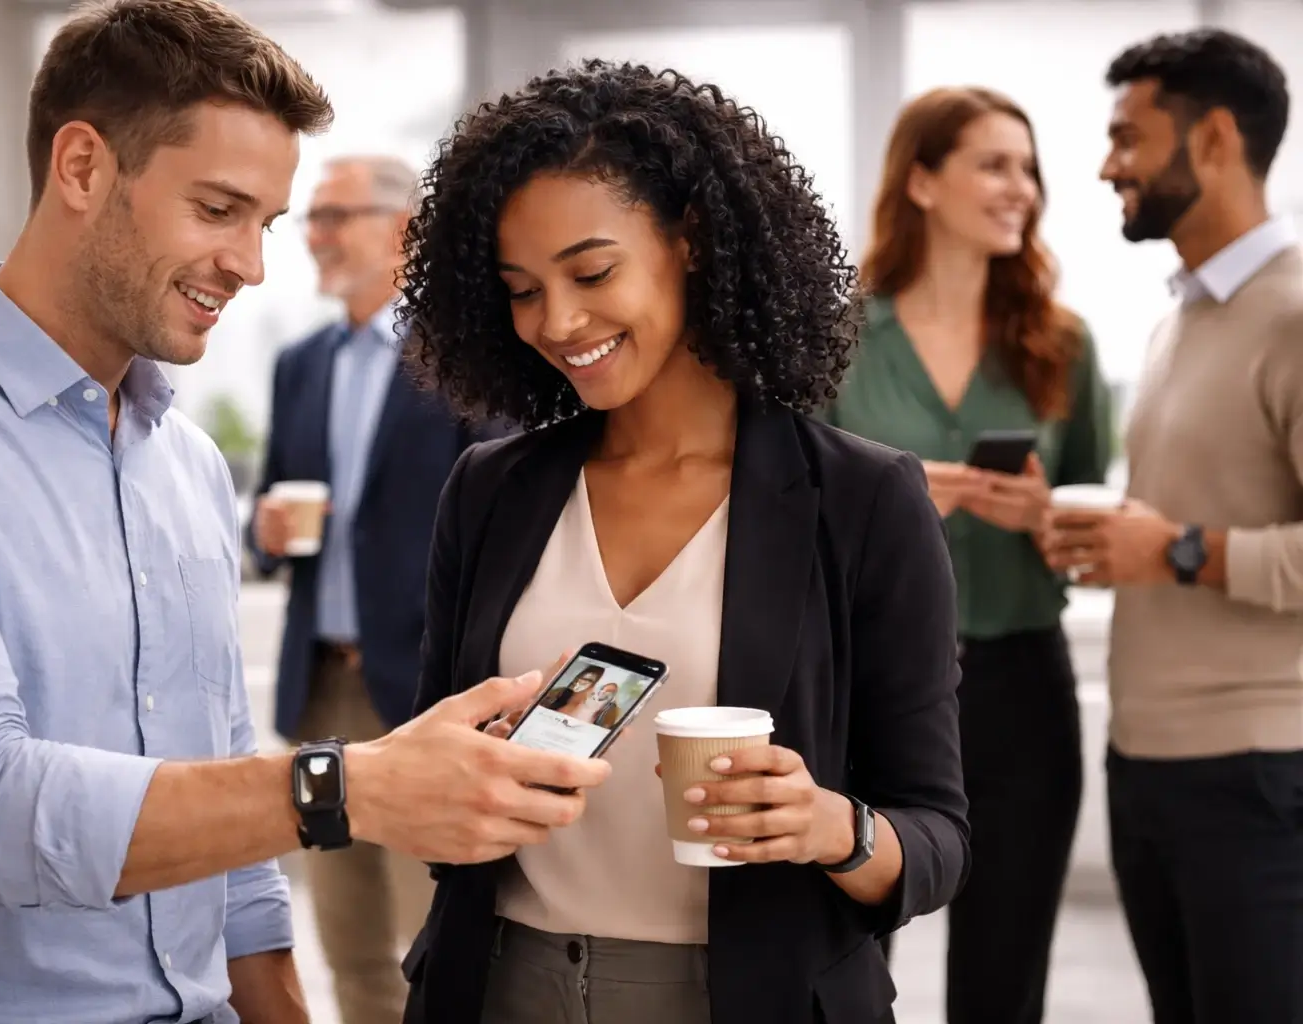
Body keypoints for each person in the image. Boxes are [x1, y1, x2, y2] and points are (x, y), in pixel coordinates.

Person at [0, 3, 611, 1021]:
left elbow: (239, 853)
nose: (252, 265)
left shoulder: (188, 464)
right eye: (218, 209)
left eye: (265, 223)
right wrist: (351, 785)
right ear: (81, 167)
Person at [396, 59, 970, 1024]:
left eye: (592, 272)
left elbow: (940, 836)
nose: (557, 322)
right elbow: (428, 793)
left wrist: (829, 827)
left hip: (746, 998)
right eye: (521, 289)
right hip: (498, 987)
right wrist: (458, 786)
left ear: (693, 240)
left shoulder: (861, 499)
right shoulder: (492, 491)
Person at [821, 86, 1112, 1024]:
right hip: (869, 688)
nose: (1020, 187)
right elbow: (789, 527)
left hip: (1023, 686)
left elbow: (1090, 543)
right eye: (994, 164)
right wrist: (892, 504)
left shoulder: (1062, 345)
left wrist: (1040, 517)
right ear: (920, 180)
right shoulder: (836, 341)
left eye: (1028, 168)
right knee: (846, 963)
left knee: (1007, 971)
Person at [1043, 29, 1301, 1024]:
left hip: (1256, 775)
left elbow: (1187, 544)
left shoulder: (1294, 315)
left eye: (1128, 138)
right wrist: (1110, 544)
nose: (1108, 165)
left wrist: (1182, 551)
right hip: (1150, 768)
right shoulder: (1176, 321)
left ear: (1218, 139)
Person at [247, 154, 494, 1024]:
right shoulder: (300, 364)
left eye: (332, 216)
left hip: (421, 687)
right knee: (345, 943)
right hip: (322, 686)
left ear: (402, 231)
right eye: (309, 219)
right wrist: (264, 532)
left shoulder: (462, 355)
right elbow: (272, 505)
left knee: (429, 942)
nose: (311, 236)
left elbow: (502, 523)